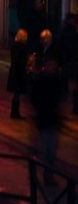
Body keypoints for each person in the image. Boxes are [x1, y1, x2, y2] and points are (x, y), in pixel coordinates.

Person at [28, 29, 67, 186]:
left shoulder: (55, 79)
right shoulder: (42, 80)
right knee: (46, 149)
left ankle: (47, 175)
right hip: (45, 120)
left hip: (51, 120)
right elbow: (35, 97)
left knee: (51, 150)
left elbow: (60, 97)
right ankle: (44, 174)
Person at [6, 28, 30, 119]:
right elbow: (19, 60)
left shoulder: (15, 45)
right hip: (18, 72)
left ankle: (15, 112)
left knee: (17, 94)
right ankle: (14, 112)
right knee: (17, 93)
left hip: (15, 71)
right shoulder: (19, 47)